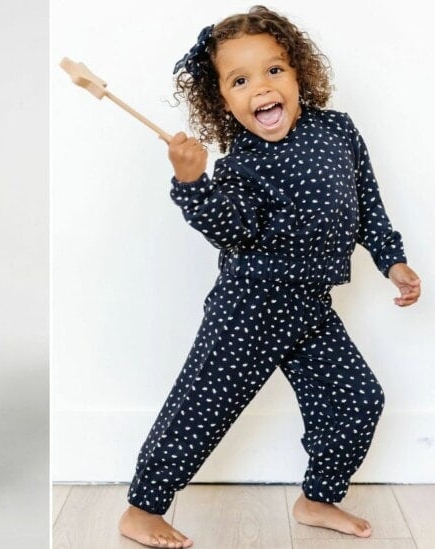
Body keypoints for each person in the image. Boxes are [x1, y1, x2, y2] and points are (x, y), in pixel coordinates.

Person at [117, 6, 421, 548]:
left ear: (299, 72)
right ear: (222, 100)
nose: (260, 87)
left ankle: (317, 498)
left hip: (310, 305)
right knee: (201, 407)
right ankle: (142, 509)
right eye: (240, 80)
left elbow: (367, 207)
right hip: (250, 308)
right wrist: (192, 183)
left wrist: (391, 261)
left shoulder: (338, 131)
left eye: (274, 70)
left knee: (357, 400)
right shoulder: (241, 166)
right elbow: (230, 230)